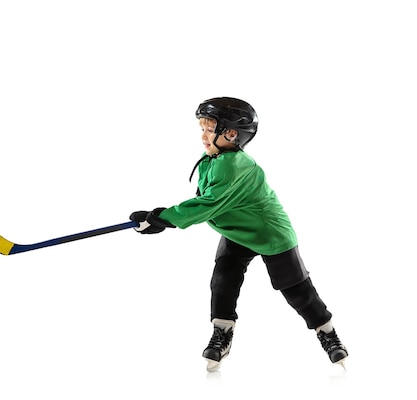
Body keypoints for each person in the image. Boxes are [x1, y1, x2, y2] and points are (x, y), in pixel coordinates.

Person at [130, 97, 348, 372]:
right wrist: (159, 218)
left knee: (296, 289)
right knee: (223, 281)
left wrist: (162, 218)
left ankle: (326, 332)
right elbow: (207, 200)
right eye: (202, 128)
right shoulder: (215, 159)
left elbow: (208, 205)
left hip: (271, 234)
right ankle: (222, 334)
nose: (203, 136)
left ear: (231, 134)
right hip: (236, 231)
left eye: (210, 129)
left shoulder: (235, 165)